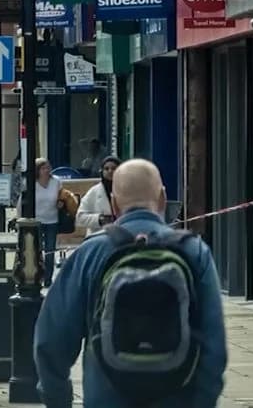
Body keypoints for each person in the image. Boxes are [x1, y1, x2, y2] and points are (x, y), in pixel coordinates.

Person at [34, 159, 226, 407]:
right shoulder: (194, 252)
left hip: (106, 397)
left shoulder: (90, 253)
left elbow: (52, 339)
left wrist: (57, 399)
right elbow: (214, 343)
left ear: (114, 203)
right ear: (162, 198)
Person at [28, 158, 63, 286]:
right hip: (36, 220)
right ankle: (37, 276)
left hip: (52, 220)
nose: (47, 170)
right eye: (43, 168)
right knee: (36, 250)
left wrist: (61, 203)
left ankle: (48, 278)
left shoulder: (56, 182)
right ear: (38, 170)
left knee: (50, 251)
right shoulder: (32, 183)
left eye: (48, 167)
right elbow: (23, 202)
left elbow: (62, 197)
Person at [75, 155, 120, 235]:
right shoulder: (94, 192)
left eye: (114, 168)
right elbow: (80, 217)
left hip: (122, 236)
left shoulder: (127, 190)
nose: (110, 171)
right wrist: (99, 219)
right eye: (106, 169)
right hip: (98, 236)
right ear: (101, 171)